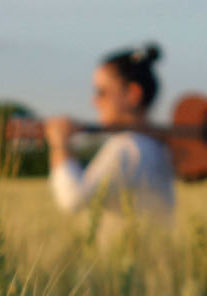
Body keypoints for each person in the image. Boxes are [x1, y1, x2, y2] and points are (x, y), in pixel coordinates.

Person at [44, 44, 177, 221]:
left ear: (133, 94)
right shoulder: (160, 148)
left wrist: (60, 144)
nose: (94, 101)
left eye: (102, 92)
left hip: (125, 240)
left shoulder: (126, 148)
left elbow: (72, 199)